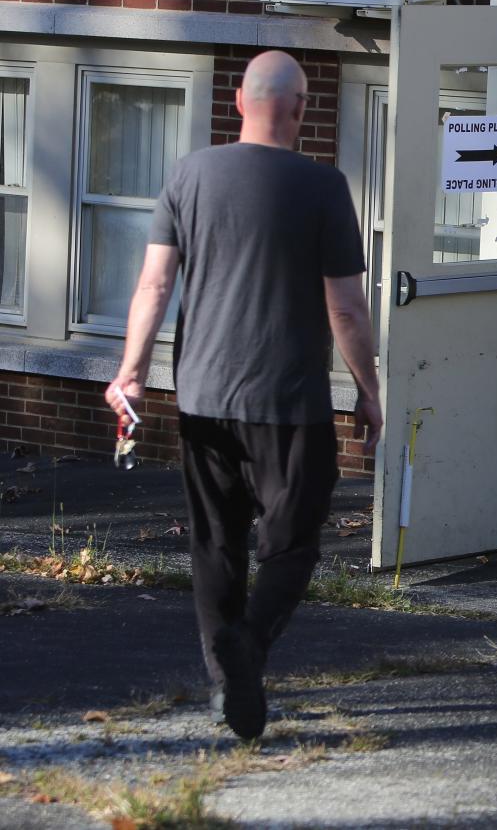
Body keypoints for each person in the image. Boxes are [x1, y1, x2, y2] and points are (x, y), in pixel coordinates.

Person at [106, 50, 382, 741]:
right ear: (299, 110)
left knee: (215, 544)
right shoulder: (323, 187)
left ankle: (226, 684)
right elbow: (346, 310)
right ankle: (250, 646)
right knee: (291, 544)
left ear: (237, 102)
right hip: (288, 401)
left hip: (202, 397)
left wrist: (131, 373)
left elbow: (153, 286)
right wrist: (372, 390)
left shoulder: (188, 175)